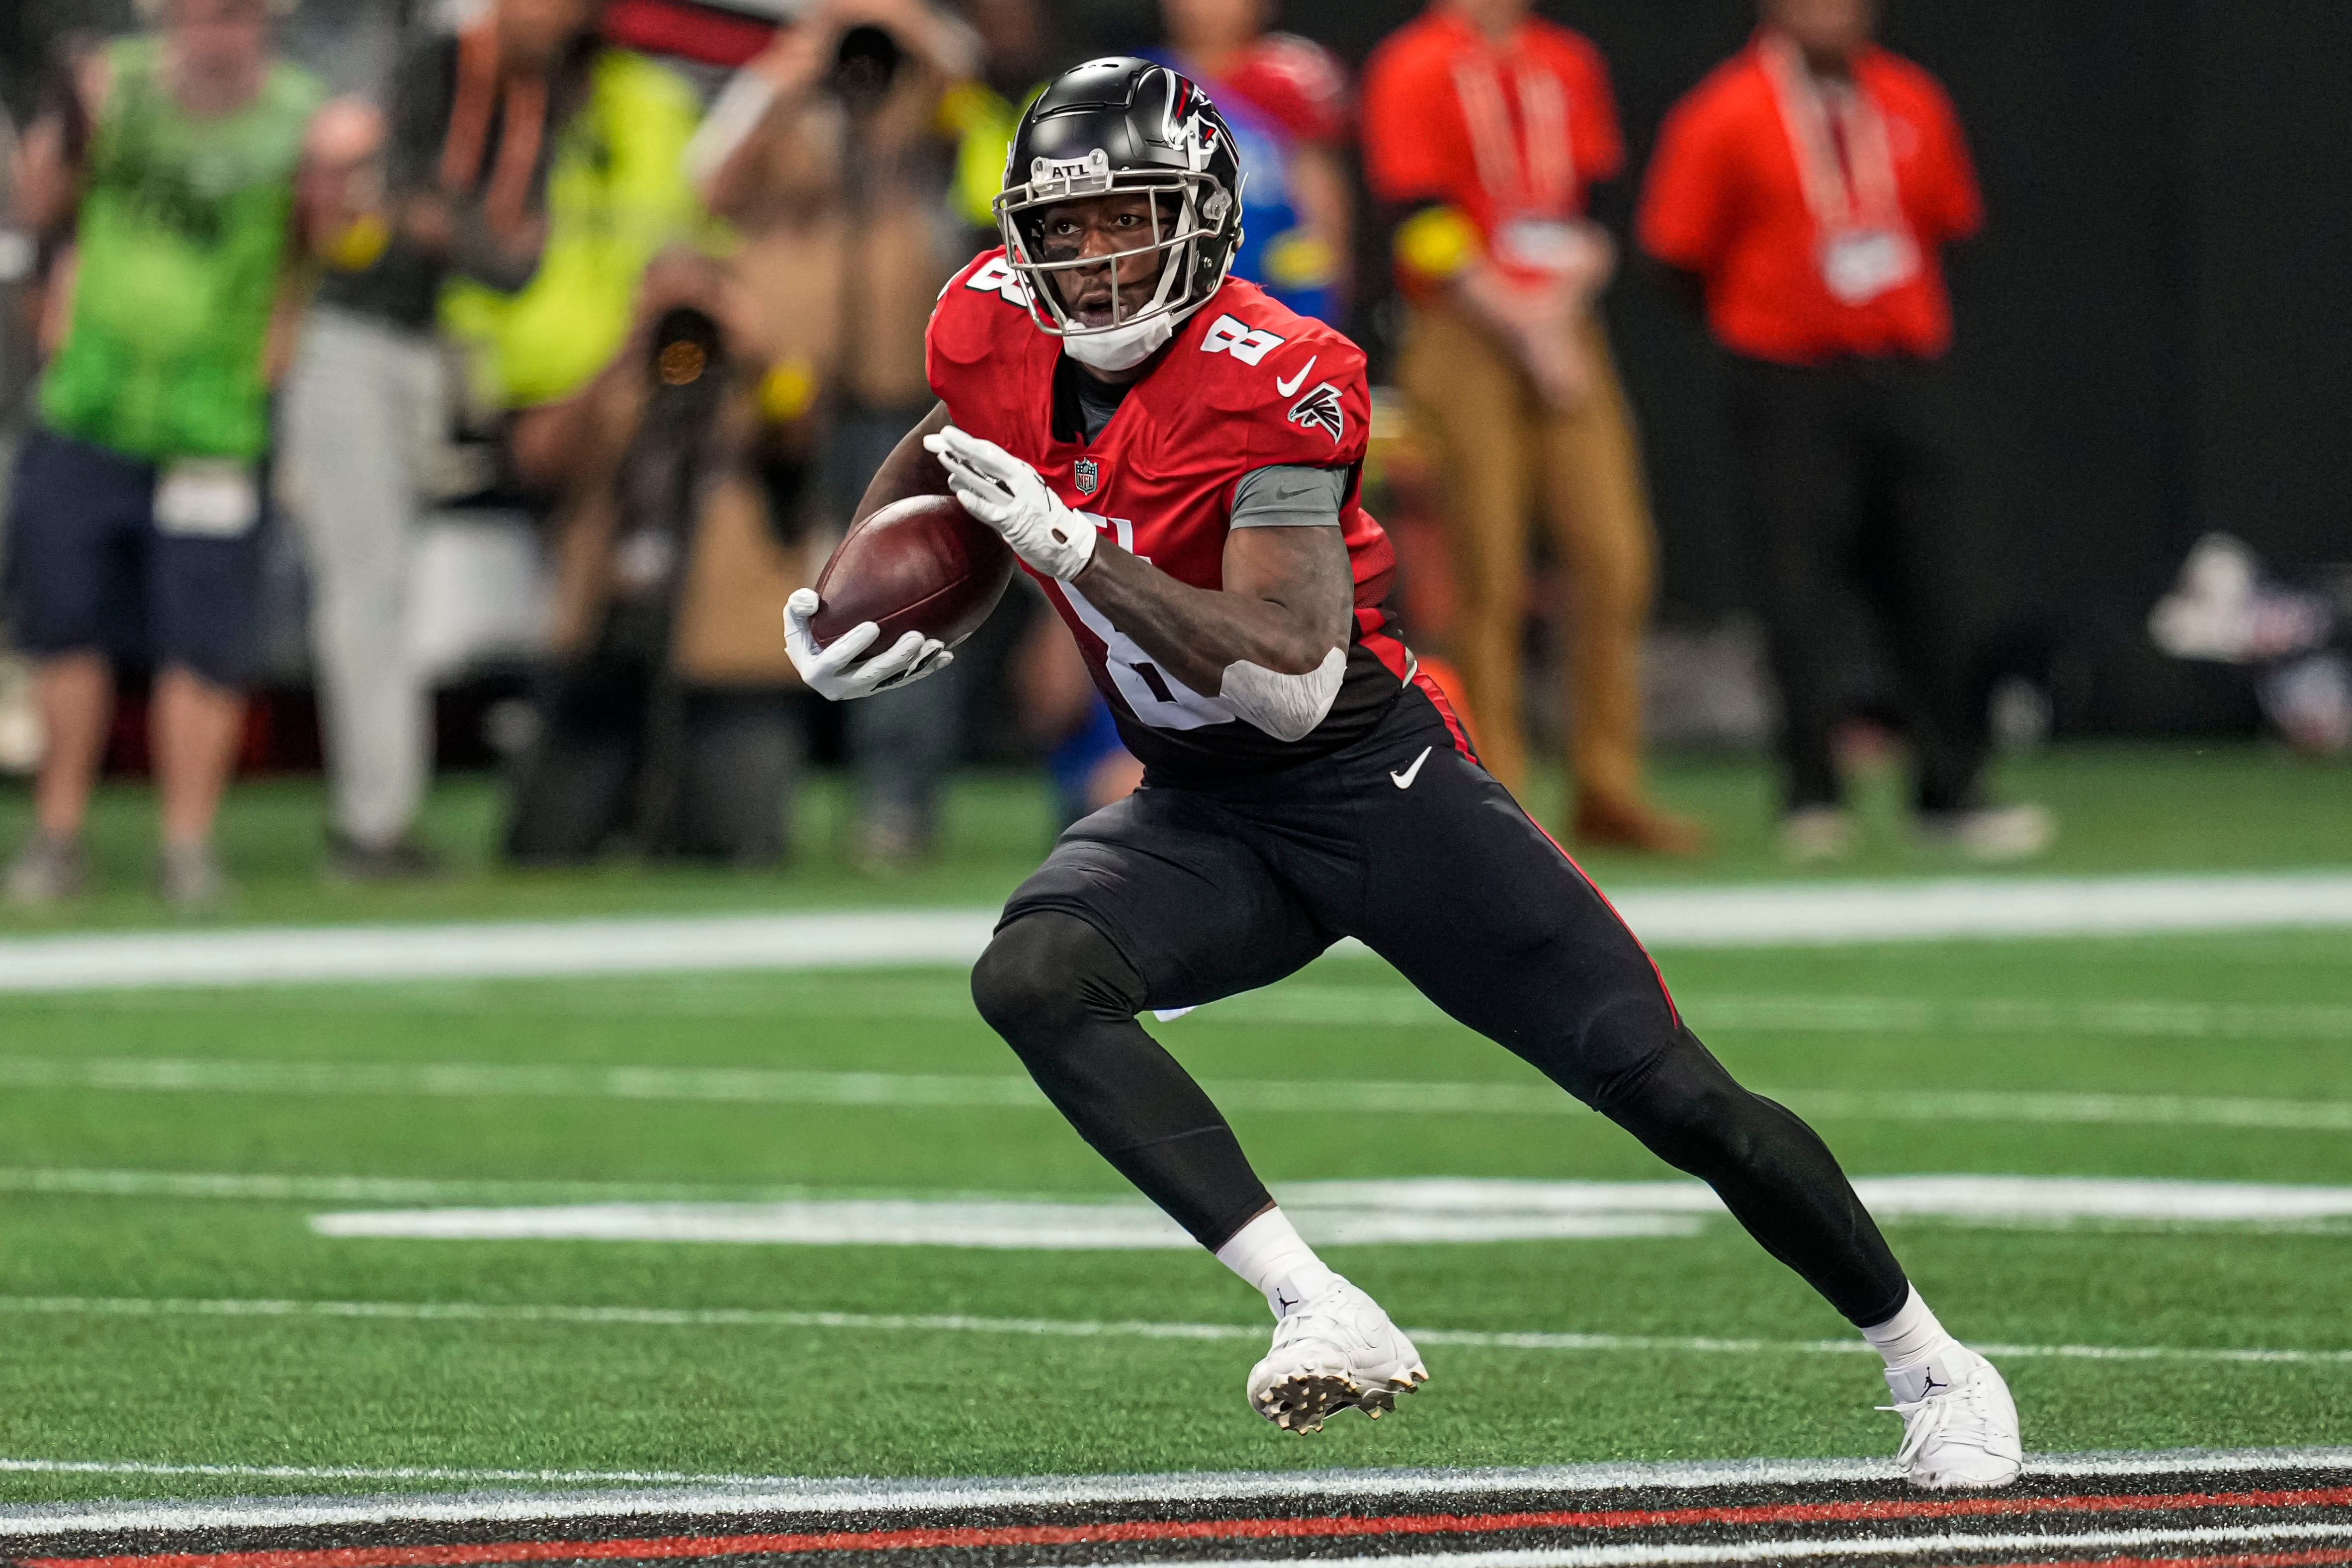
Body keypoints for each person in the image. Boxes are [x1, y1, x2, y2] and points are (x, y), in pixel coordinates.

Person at [784, 56, 2023, 1488]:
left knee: (1670, 1092)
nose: (1091, 258)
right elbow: (954, 444)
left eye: (1124, 219)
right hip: (1205, 807)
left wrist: (1070, 550)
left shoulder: (1280, 376)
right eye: (1061, 229)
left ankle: (1929, 1356)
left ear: (1201, 215)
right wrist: (848, 598)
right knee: (1034, 975)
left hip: (1373, 788)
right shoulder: (988, 320)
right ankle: (1318, 1302)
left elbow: (1292, 677)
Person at [1638, 0, 2050, 861]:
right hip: (1789, 374)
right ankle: (1810, 792)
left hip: (1900, 366)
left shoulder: (1910, 99)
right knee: (1796, 589)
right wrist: (1771, 318)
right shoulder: (1726, 111)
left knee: (1935, 579)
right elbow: (1678, 251)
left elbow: (1949, 223)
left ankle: (1950, 785)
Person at [2, 0, 336, 907]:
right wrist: (62, 127)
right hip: (93, 399)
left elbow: (330, 244)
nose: (212, 32)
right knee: (66, 627)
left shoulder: (303, 119)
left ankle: (187, 842)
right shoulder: (114, 94)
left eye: (232, 14)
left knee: (206, 641)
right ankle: (58, 832)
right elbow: (42, 207)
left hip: (215, 416)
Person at [1361, 0, 1703, 855]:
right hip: (1464, 322)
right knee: (1486, 563)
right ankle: (1495, 788)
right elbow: (1420, 218)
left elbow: (1594, 201)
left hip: (1561, 315)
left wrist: (1562, 300)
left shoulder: (1566, 59)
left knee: (1614, 555)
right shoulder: (1415, 63)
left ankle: (1606, 778)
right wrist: (1519, 317)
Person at [280, 0, 602, 881]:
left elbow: (516, 264)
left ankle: (380, 814)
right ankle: (368, 824)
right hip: (350, 334)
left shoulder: (540, 99)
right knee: (365, 586)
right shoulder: (437, 60)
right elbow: (405, 195)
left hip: (425, 347)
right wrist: (470, 232)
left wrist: (456, 228)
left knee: (389, 591)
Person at [1152, 0, 1350, 322]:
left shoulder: (1294, 75)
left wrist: (1324, 288)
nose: (1206, 9)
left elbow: (1322, 201)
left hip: (1275, 293)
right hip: (1169, 290)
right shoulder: (1142, 79)